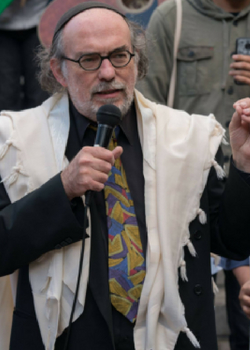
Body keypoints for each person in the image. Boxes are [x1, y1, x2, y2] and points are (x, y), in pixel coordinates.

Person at [1, 3, 250, 350]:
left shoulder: (187, 137)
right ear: (58, 71)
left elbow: (233, 241)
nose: (107, 72)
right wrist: (62, 189)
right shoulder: (15, 141)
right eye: (89, 59)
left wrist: (244, 166)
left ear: (136, 60)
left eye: (119, 56)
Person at [137, 0, 250, 348]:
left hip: (248, 173)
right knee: (187, 311)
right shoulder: (174, 16)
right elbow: (144, 102)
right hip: (192, 183)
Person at [0, 0, 49, 111]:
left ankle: (39, 126)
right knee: (6, 91)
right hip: (3, 28)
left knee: (41, 88)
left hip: (39, 21)